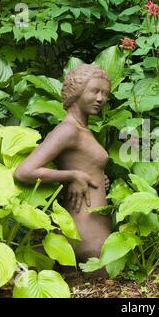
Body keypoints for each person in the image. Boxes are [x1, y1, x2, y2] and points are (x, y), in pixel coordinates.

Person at [14, 64, 112, 270]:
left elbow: (85, 164)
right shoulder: (68, 130)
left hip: (94, 232)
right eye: (94, 91)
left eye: (105, 93)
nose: (101, 98)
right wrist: (71, 176)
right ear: (77, 91)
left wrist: (98, 178)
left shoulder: (82, 129)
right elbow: (24, 171)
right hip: (86, 235)